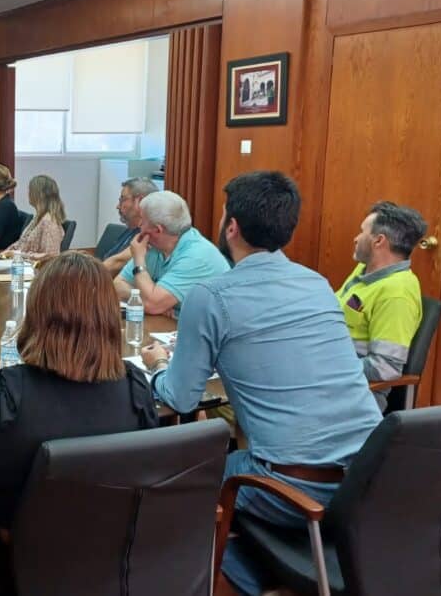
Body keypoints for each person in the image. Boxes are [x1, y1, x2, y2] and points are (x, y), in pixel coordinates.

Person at [141, 171, 381, 595]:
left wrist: (159, 365)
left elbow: (180, 398)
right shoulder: (318, 283)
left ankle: (227, 578)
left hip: (288, 486)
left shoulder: (211, 297)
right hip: (369, 480)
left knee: (175, 483)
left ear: (231, 226)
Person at [0, 252, 159, 591]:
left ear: (36, 315)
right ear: (108, 318)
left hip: (22, 564)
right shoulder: (136, 390)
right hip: (118, 562)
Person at [337, 201, 428, 410]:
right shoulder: (365, 269)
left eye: (361, 232)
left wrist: (329, 367)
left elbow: (384, 368)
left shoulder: (397, 295)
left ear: (378, 241)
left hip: (355, 394)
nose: (356, 238)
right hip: (332, 371)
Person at [113, 190, 228, 316]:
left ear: (157, 230)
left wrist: (139, 261)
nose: (139, 224)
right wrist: (146, 298)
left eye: (143, 220)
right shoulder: (153, 247)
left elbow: (152, 305)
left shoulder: (197, 256)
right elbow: (118, 285)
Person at [101, 176, 159, 274]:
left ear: (140, 201)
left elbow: (116, 263)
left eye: (122, 200)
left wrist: (87, 274)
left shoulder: (150, 234)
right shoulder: (131, 228)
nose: (118, 206)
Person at [5, 174, 66, 259]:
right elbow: (22, 243)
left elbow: (51, 256)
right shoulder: (38, 217)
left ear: (39, 194)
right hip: (20, 264)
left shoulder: (48, 221)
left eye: (30, 190)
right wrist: (7, 251)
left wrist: (18, 254)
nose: (28, 193)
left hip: (34, 269)